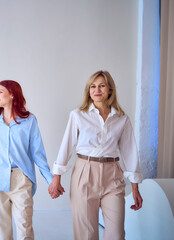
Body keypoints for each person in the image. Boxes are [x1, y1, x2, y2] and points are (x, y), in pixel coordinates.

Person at [49, 70, 143, 240]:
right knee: (86, 234)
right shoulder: (78, 115)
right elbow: (66, 145)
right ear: (88, 90)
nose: (96, 90)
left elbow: (129, 152)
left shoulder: (122, 118)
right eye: (92, 86)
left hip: (113, 174)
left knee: (116, 234)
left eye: (101, 86)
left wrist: (135, 187)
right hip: (85, 171)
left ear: (110, 90)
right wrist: (56, 177)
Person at [0, 80, 54, 240]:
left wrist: (50, 180)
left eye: (0, 92)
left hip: (21, 178)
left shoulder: (29, 120)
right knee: (1, 230)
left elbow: (37, 152)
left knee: (24, 228)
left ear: (12, 94)